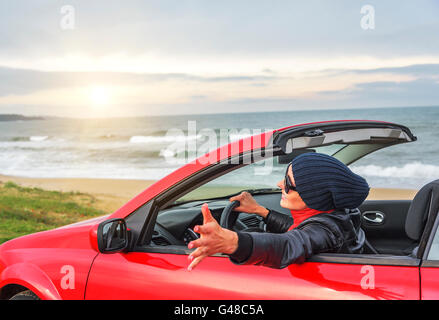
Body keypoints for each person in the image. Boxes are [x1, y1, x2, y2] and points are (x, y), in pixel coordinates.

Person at [187, 152, 370, 271]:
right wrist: (260, 211)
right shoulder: (338, 214)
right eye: (284, 178)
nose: (280, 185)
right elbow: (299, 228)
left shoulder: (327, 231)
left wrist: (232, 242)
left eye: (289, 184)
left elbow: (288, 245)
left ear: (313, 197)